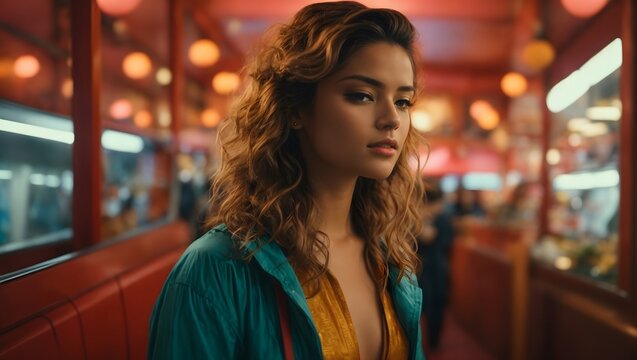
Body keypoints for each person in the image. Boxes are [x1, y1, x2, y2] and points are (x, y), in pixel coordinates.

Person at [148, 2, 426, 359]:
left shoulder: (392, 263)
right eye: (362, 95)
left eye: (403, 101)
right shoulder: (214, 270)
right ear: (296, 108)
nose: (392, 119)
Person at [416, 185, 455, 351]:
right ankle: (420, 340)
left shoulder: (444, 219)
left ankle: (433, 341)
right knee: (420, 304)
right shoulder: (419, 217)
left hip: (437, 266)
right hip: (421, 266)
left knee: (437, 302)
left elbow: (439, 241)